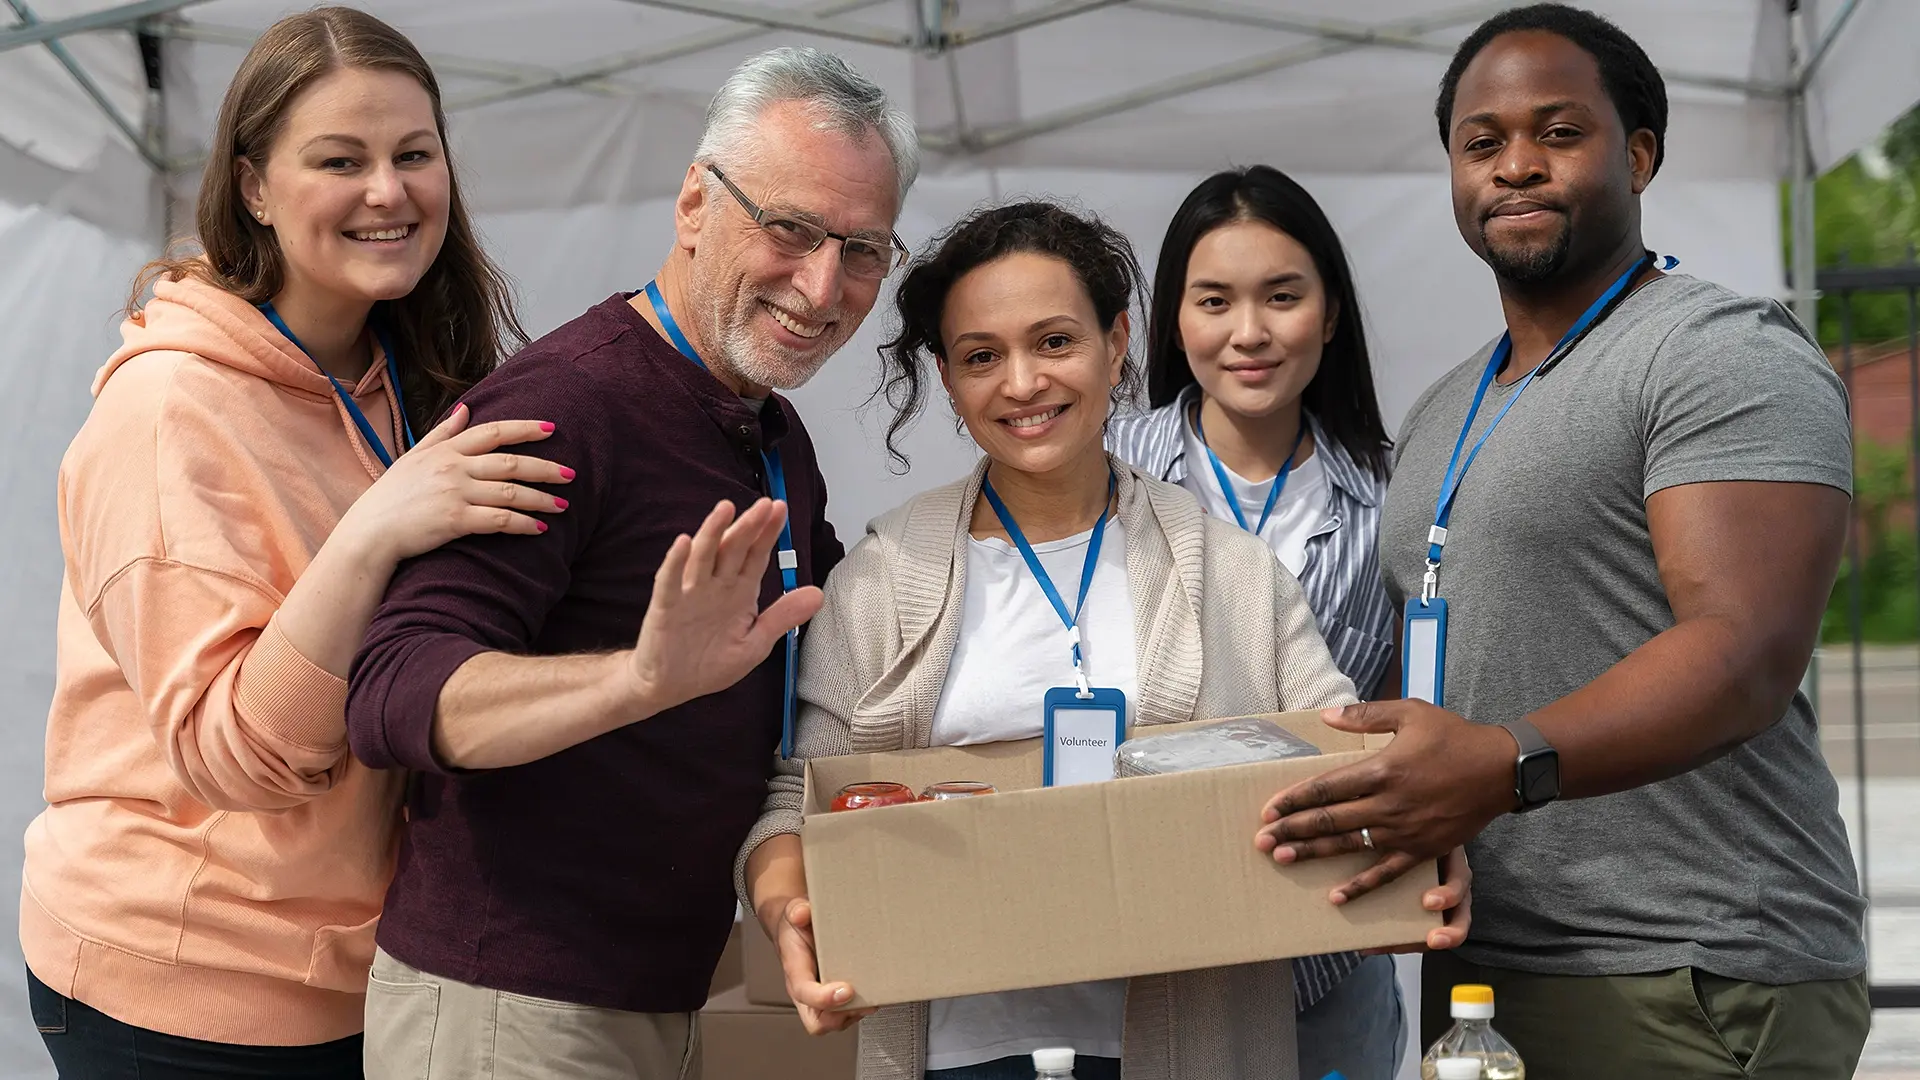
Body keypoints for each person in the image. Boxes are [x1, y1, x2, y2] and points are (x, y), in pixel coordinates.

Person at [1254, 5, 1871, 1077]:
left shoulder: (1718, 351)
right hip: (1489, 964)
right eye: (1481, 143)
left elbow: (1745, 652)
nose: (1517, 166)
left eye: (1558, 132)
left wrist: (1503, 764)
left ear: (1638, 155)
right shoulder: (1449, 406)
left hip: (1691, 965)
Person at [738, 200, 1470, 1080]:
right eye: (981, 357)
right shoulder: (886, 575)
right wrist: (787, 907)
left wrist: (1425, 837)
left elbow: (1339, 760)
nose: (1022, 383)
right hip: (955, 1052)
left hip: (1190, 1045)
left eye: (1055, 342)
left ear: (1117, 343)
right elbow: (798, 792)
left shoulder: (1231, 573)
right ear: (946, 378)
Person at [343, 47, 918, 1079]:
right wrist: (638, 679)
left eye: (863, 249)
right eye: (789, 230)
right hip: (507, 1010)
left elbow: (833, 642)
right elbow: (395, 694)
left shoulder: (771, 432)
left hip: (656, 994)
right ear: (695, 202)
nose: (823, 285)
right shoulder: (564, 408)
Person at [19, 8, 562, 1077]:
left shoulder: (409, 372)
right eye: (339, 160)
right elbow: (235, 757)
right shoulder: (168, 412)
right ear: (255, 187)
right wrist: (375, 530)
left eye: (415, 153)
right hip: (183, 983)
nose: (388, 192)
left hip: (359, 963)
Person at [1106, 165, 1403, 1080]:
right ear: (1174, 322)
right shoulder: (1100, 475)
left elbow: (1403, 709)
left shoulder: (1396, 497)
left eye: (1282, 297)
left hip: (1327, 942)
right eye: (1213, 301)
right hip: (1138, 936)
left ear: (1333, 312)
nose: (1249, 333)